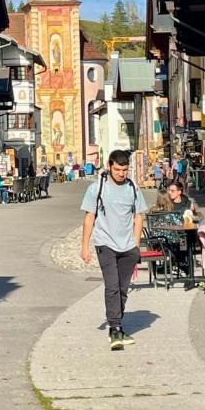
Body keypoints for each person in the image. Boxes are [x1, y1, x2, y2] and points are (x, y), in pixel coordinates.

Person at [79, 149, 147, 351]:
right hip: (105, 244)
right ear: (109, 166)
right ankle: (115, 328)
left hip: (128, 246)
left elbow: (139, 216)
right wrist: (85, 246)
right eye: (117, 169)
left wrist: (135, 244)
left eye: (125, 170)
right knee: (112, 285)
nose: (121, 173)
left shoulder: (132, 187)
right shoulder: (97, 188)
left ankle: (117, 323)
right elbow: (89, 217)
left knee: (123, 289)